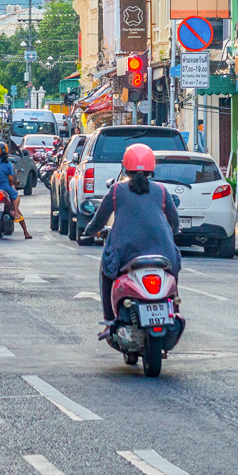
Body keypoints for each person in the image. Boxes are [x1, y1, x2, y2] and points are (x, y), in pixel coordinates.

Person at [80, 143, 181, 338]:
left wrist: (89, 231)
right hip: (163, 251)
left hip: (125, 253)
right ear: (152, 167)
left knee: (107, 271)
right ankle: (174, 309)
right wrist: (173, 232)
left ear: (125, 167)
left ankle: (110, 321)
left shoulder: (117, 190)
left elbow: (99, 219)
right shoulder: (161, 190)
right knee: (173, 269)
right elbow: (174, 220)